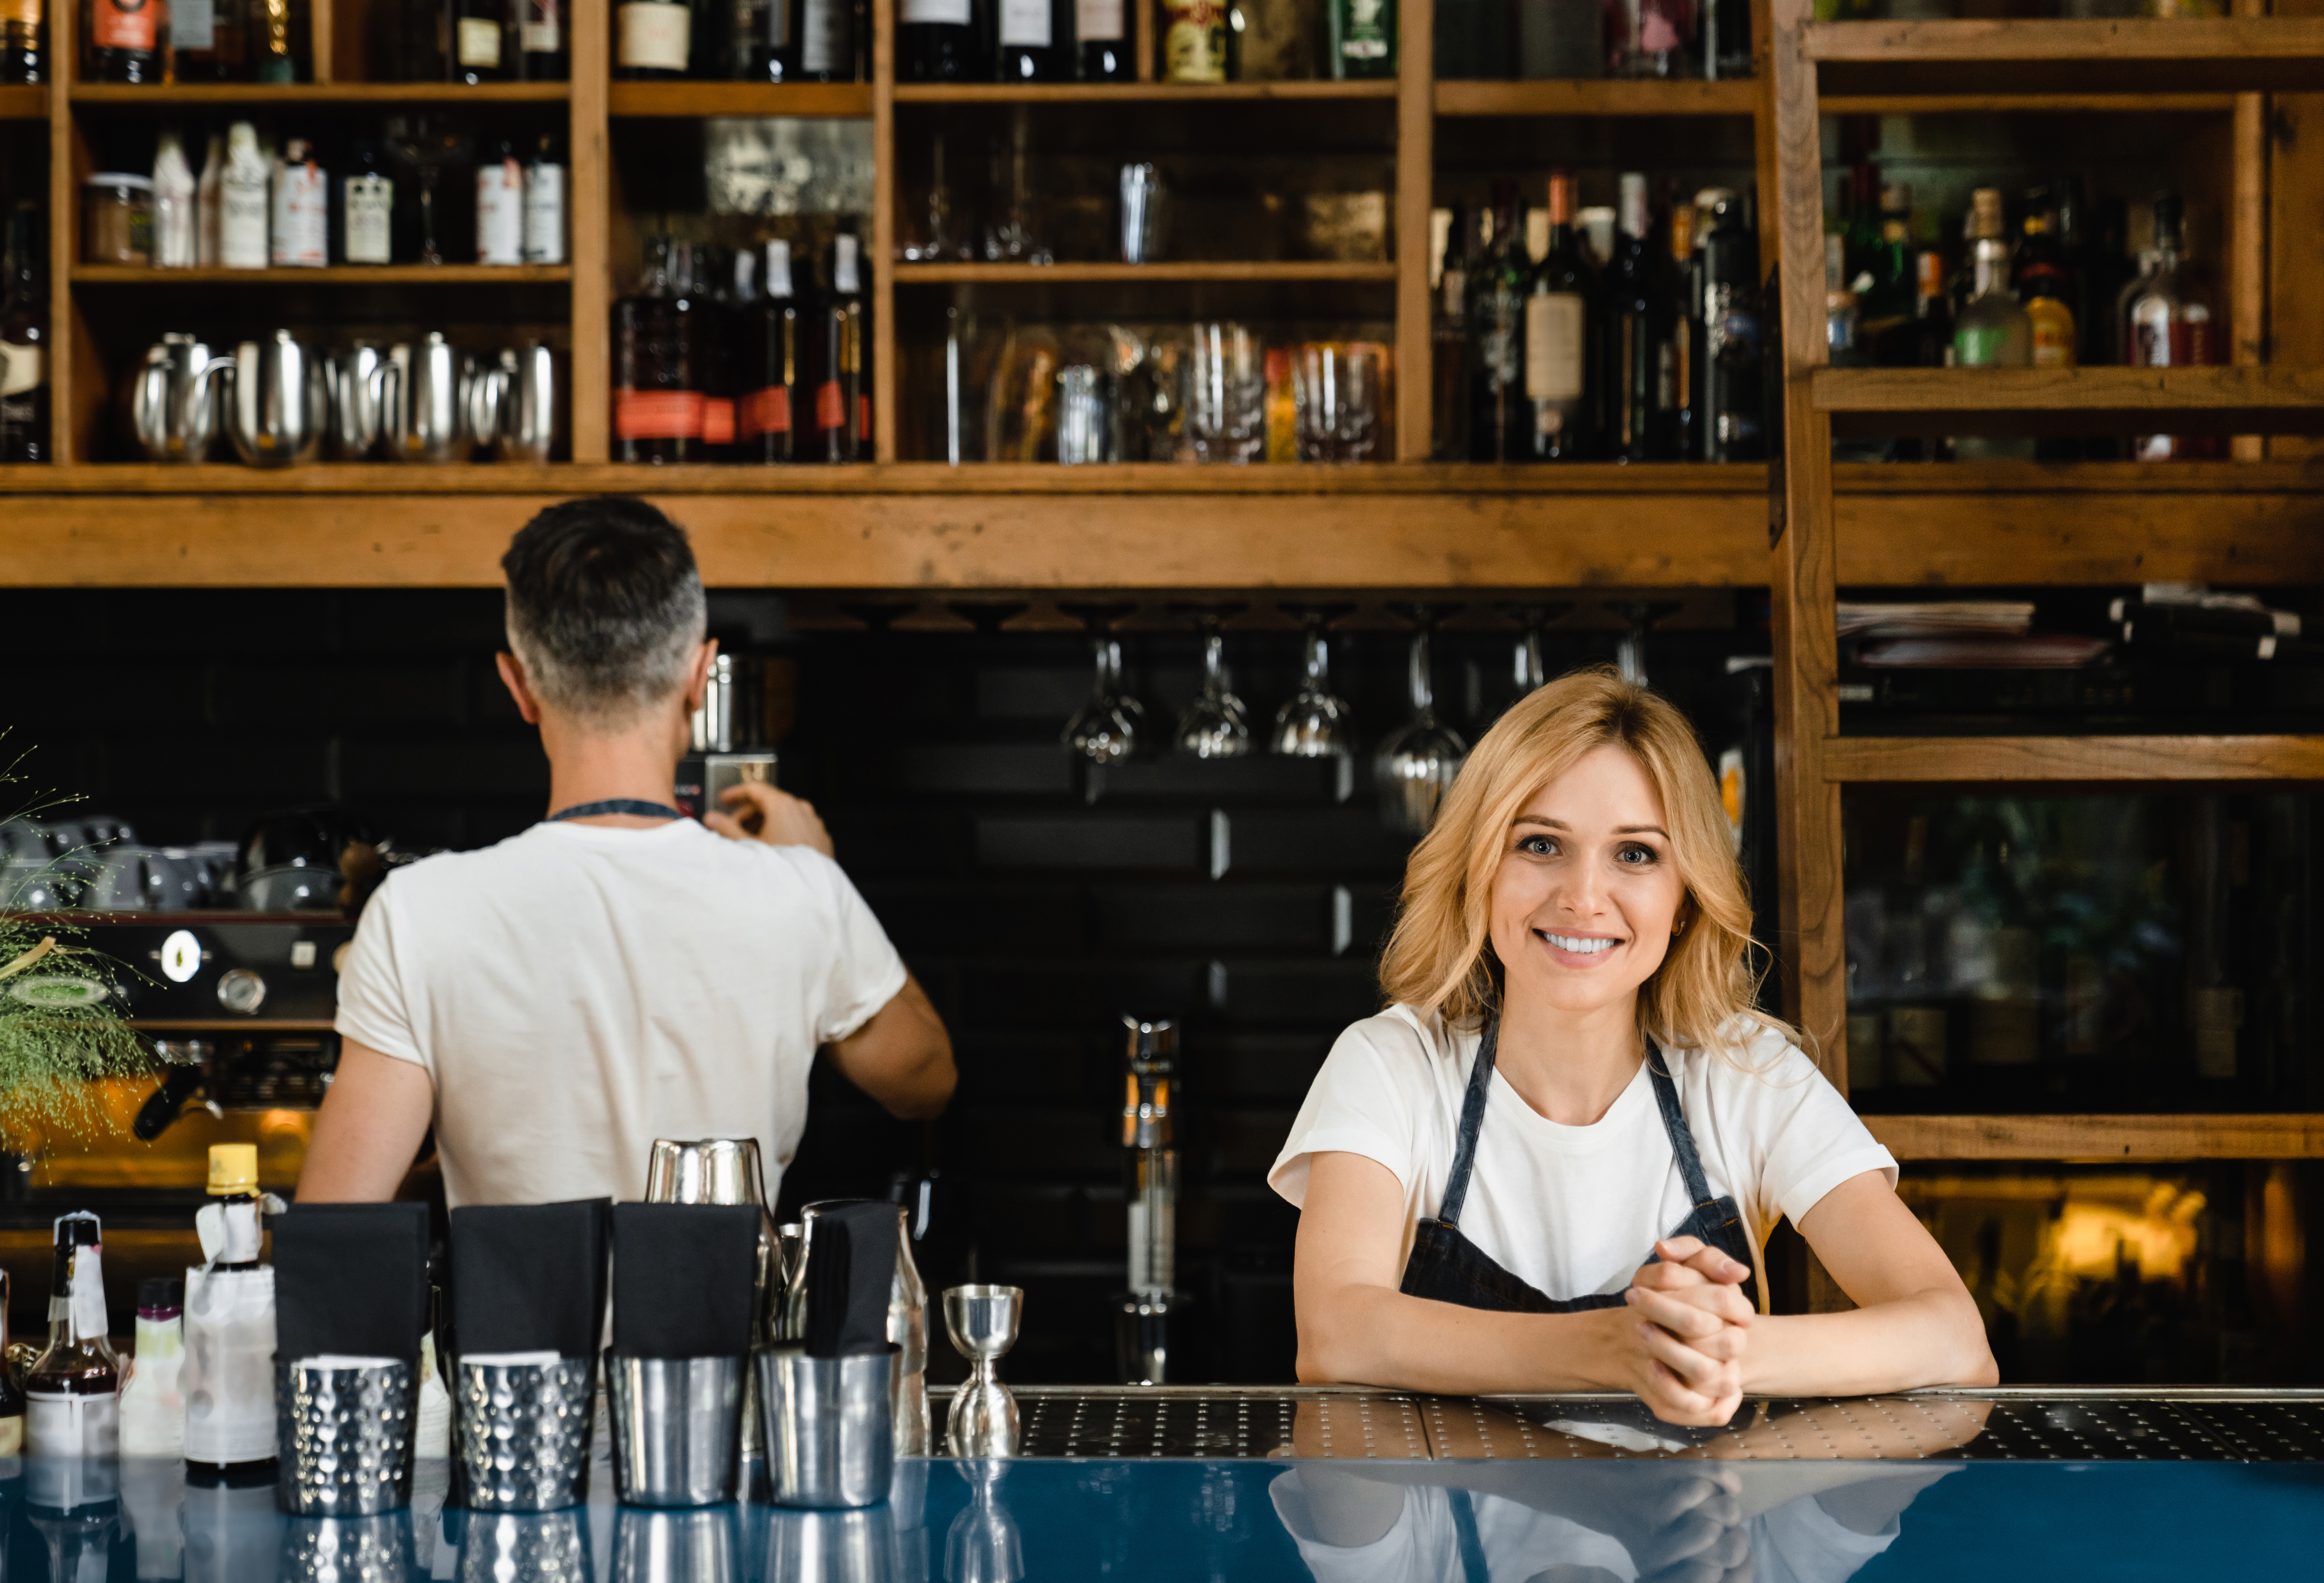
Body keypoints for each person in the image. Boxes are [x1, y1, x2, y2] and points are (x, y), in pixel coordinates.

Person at [1272, 668, 1995, 1425]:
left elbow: (1956, 1341)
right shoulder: (1392, 1064)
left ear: (1685, 899)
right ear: (1478, 870)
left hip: (1701, 1535)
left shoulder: (1744, 1072)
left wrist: (1718, 1350)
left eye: (1637, 855)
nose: (1584, 896)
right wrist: (1612, 1349)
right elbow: (1337, 1337)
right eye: (1541, 843)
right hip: (1447, 1535)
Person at [298, 496, 954, 1208]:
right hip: (735, 1325)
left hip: (509, 1326)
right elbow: (925, 1082)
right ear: (700, 678)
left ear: (518, 686)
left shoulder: (417, 914)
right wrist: (823, 873)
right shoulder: (800, 893)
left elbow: (340, 1227)